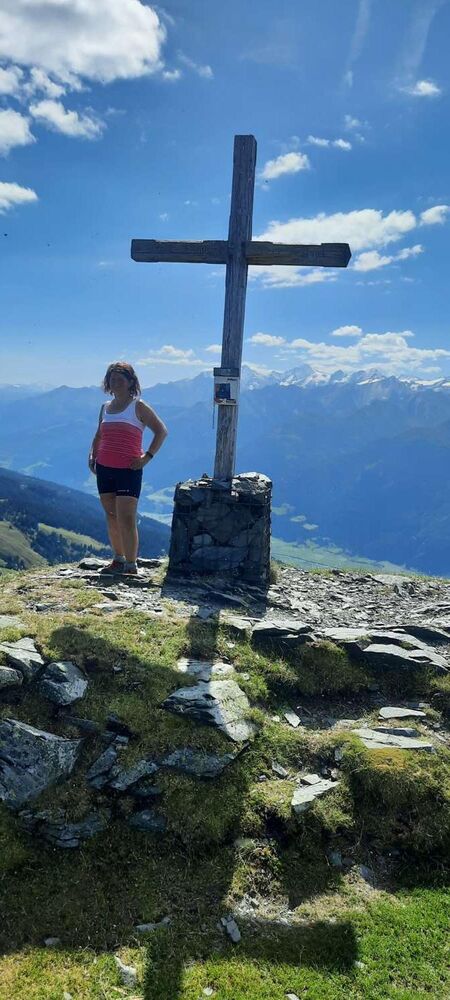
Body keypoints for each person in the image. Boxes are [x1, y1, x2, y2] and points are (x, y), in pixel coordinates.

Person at [89, 361, 168, 576]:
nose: (115, 382)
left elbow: (161, 431)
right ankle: (118, 559)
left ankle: (131, 566)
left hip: (128, 470)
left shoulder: (138, 406)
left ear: (131, 381)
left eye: (120, 378)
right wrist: (92, 455)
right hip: (104, 467)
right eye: (112, 378)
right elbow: (99, 435)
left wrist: (147, 457)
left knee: (126, 518)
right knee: (111, 516)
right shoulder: (105, 407)